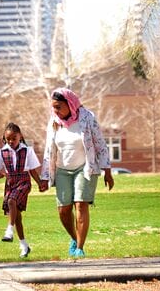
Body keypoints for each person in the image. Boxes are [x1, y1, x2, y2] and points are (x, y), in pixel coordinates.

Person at [40, 88, 114, 258]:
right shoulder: (54, 121)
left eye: (58, 107)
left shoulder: (87, 117)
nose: (55, 111)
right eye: (53, 107)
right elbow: (48, 150)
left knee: (80, 205)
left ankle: (80, 248)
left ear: (70, 104)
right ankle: (75, 238)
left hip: (85, 168)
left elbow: (100, 144)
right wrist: (45, 176)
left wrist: (107, 171)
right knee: (63, 210)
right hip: (62, 169)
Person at [0, 122, 47, 258]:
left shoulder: (28, 151)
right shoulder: (1, 153)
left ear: (20, 136)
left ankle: (9, 230)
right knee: (17, 217)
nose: (11, 141)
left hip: (23, 182)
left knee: (11, 201)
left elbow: (32, 170)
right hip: (10, 183)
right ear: (4, 138)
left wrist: (39, 183)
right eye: (8, 139)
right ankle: (24, 246)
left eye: (13, 138)